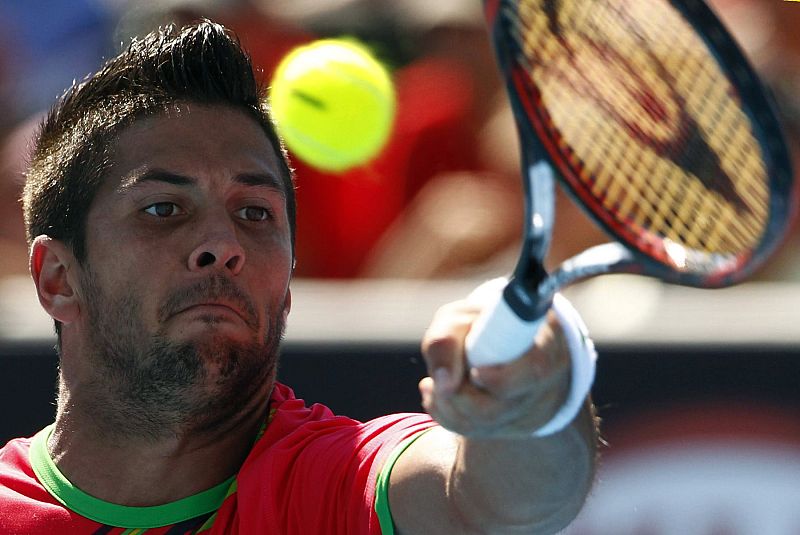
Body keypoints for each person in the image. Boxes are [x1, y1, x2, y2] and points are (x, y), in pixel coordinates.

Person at [0, 21, 598, 534]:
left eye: (255, 214)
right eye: (164, 209)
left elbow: (505, 500)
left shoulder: (345, 482)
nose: (223, 246)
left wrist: (532, 408)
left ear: (286, 281)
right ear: (58, 278)